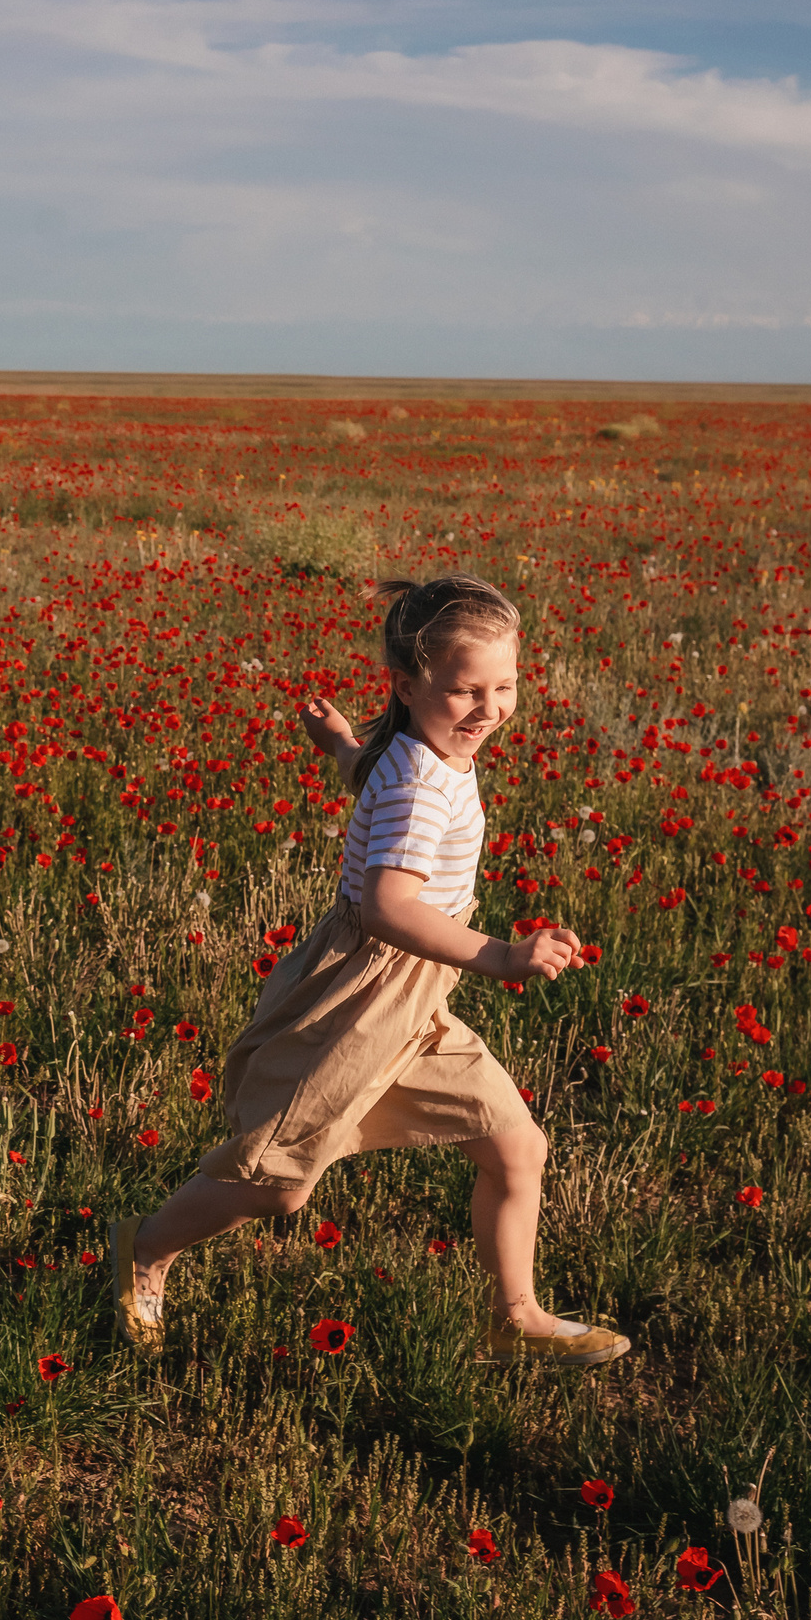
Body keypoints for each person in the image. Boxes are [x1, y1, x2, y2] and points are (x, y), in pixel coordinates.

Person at [112, 576, 630, 1367]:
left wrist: (343, 751)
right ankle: (145, 1248)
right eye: (466, 690)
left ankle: (515, 1317)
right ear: (409, 684)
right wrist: (499, 954)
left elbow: (375, 777)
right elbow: (391, 905)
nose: (489, 708)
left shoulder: (411, 751)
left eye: (505, 686)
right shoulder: (424, 783)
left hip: (418, 1001)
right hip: (363, 996)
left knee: (518, 1148)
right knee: (280, 1183)